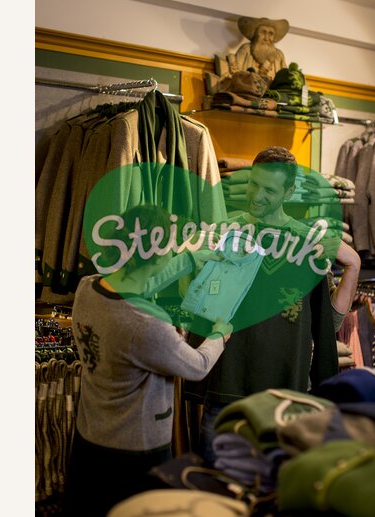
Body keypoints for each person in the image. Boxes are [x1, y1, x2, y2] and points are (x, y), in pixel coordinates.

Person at [184, 146, 362, 463]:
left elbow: (327, 324)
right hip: (227, 390)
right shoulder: (227, 232)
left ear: (289, 191)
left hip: (285, 398)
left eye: (270, 189)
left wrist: (354, 265)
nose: (257, 195)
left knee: (276, 497)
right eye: (254, 184)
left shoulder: (309, 243)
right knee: (215, 493)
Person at [65, 204, 233, 516]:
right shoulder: (146, 325)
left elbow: (140, 282)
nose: (173, 253)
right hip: (134, 451)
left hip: (89, 439)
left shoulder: (88, 288)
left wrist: (189, 259)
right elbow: (196, 366)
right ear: (156, 256)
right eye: (171, 250)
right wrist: (219, 335)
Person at [227, 17, 290, 82]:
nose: (266, 38)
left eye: (270, 34)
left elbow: (286, 78)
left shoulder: (279, 55)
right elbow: (235, 74)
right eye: (263, 32)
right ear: (256, 34)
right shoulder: (246, 49)